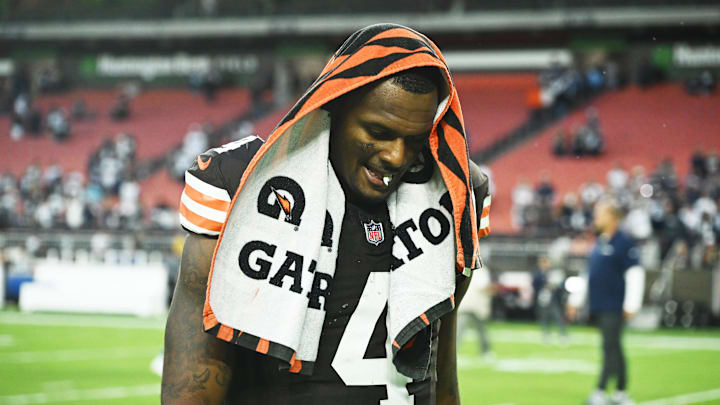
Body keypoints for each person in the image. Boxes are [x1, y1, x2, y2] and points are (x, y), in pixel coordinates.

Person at [162, 24, 491, 405]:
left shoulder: (449, 197)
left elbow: (438, 374)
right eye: (378, 131)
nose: (396, 157)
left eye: (414, 140)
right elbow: (190, 392)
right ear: (334, 104)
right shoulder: (245, 188)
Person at [567, 199, 644, 405]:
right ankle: (620, 392)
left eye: (600, 214)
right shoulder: (600, 242)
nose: (596, 218)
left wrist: (631, 304)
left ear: (613, 217)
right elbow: (588, 274)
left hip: (614, 305)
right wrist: (575, 299)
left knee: (611, 347)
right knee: (612, 348)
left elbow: (635, 274)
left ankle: (604, 390)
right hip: (599, 304)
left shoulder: (624, 243)